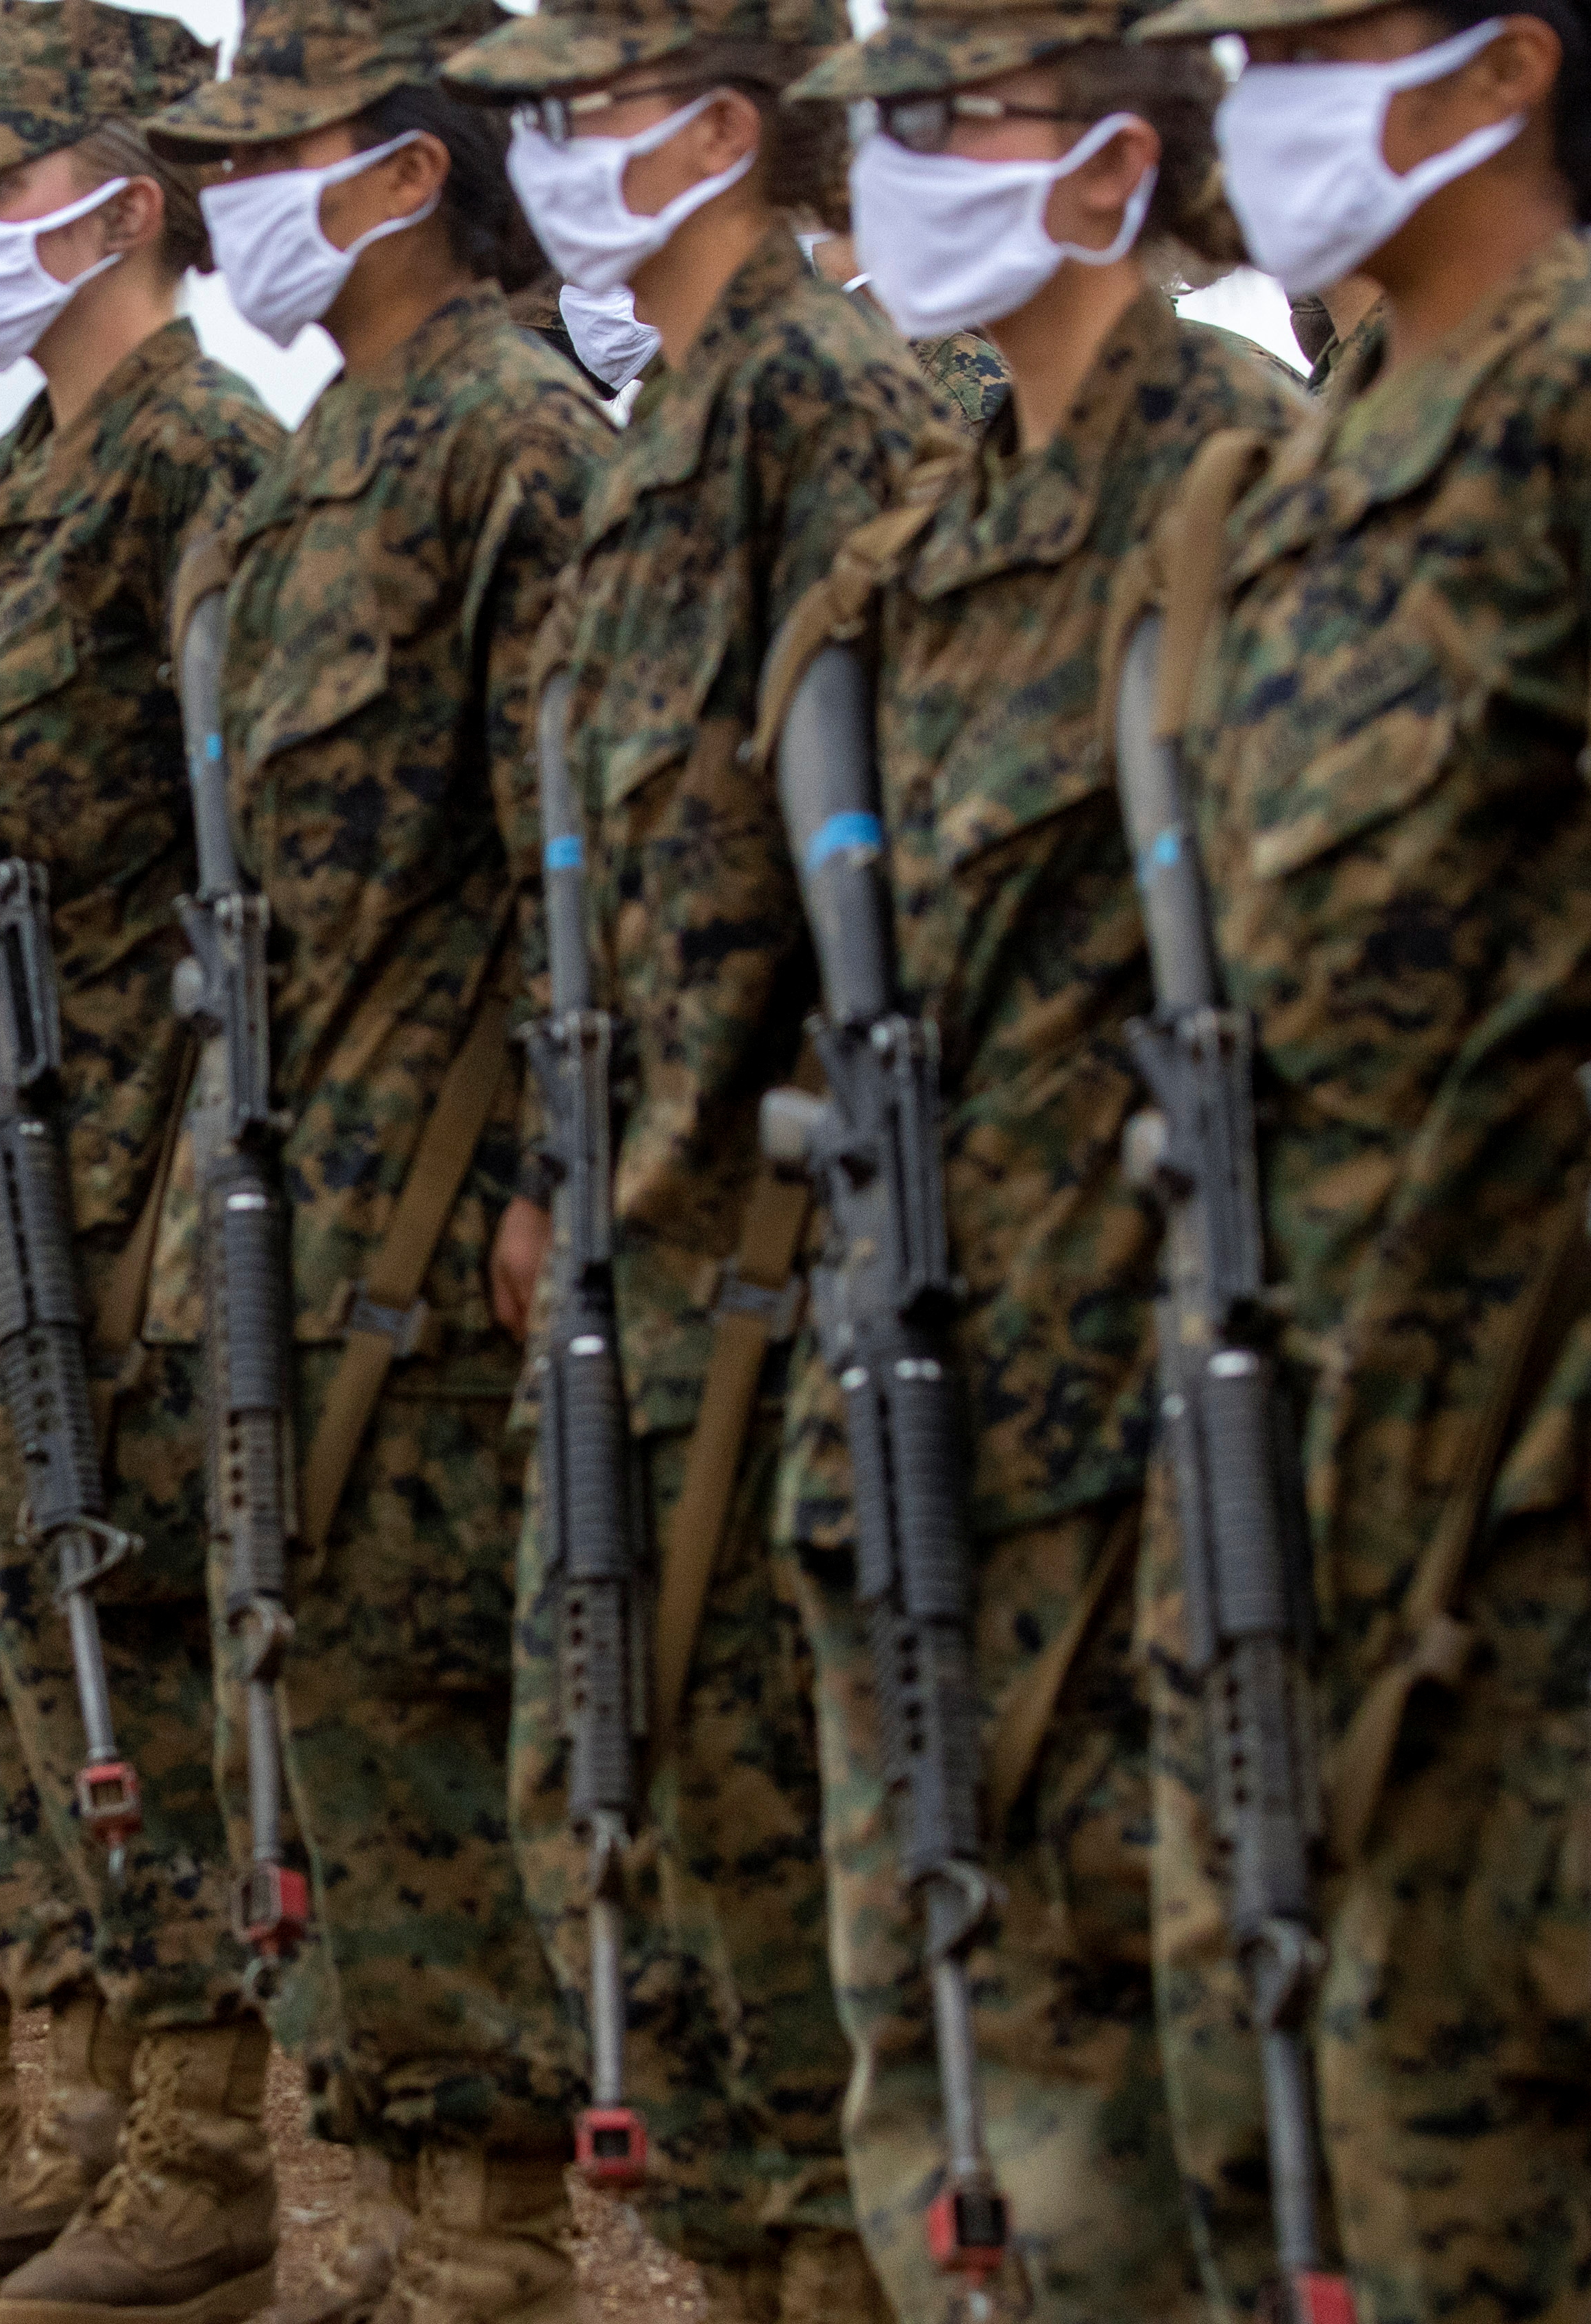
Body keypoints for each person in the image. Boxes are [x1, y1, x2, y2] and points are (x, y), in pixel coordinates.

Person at [754, 0, 1304, 2310]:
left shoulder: (1244, 481)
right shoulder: (917, 537)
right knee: (934, 2026)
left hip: (1155, 1434)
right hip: (924, 1384)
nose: (886, 170)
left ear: (1110, 155)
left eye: (938, 120)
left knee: (1173, 2065)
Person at [437, 0, 957, 2308]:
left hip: (778, 1246)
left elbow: (885, 860)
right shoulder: (671, 420)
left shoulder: (824, 401)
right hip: (646, 1231)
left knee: (760, 1822)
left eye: (588, 111)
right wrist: (565, 1169)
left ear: (726, 129)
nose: (546, 151)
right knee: (639, 1792)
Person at [139, 8, 610, 2322]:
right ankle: (411, 2194)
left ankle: (492, 2232)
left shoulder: (512, 435)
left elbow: (574, 855)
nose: (226, 194)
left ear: (408, 173)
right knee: (317, 1673)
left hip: (440, 1208)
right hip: (294, 1187)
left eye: (272, 149)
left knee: (422, 1691)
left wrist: (544, 1170)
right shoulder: (324, 452)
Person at [1124, 0, 1591, 2312]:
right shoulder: (1309, 471)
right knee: (1307, 2136)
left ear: (1503, 73)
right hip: (1310, 1446)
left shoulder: (1564, 396)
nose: (1258, 101)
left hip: (1523, 1476)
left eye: (1318, 42)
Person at [0, 13, 291, 2322]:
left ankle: (201, 2141)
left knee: (128, 1634)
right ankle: (82, 2093)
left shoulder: (201, 456)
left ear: (127, 203)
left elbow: (252, 853)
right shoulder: (23, 472)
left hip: (134, 1163)